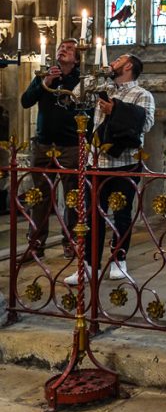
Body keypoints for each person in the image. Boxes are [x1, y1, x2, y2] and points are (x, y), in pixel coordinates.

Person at [65, 52, 154, 285]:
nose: (112, 62)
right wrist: (93, 73)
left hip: (124, 162)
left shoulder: (142, 94)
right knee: (92, 215)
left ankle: (118, 261)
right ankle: (88, 265)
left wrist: (115, 111)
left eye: (118, 60)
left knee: (121, 213)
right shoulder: (102, 87)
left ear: (129, 66)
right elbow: (75, 96)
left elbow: (145, 124)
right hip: (96, 162)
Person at [19, 39, 83, 259]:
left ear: (76, 59)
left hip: (70, 145)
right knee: (39, 197)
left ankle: (71, 241)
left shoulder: (81, 79)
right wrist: (45, 80)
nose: (62, 50)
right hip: (45, 144)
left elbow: (89, 110)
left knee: (73, 197)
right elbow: (25, 101)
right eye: (61, 48)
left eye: (69, 49)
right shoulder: (43, 76)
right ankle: (36, 244)